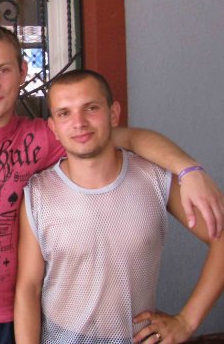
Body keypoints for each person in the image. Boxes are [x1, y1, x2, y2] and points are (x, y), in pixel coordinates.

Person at [0, 24, 224, 343]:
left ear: (23, 72)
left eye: (3, 70)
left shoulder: (46, 136)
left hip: (6, 317)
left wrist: (188, 170)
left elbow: (131, 138)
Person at [14, 69, 224, 343]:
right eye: (64, 113)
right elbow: (28, 288)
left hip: (136, 337)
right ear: (53, 127)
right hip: (61, 337)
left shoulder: (155, 177)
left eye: (91, 108)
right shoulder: (37, 193)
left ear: (113, 114)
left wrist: (186, 321)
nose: (79, 122)